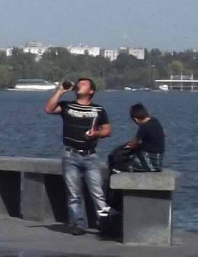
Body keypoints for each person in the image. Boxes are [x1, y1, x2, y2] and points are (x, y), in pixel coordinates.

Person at [45, 77, 112, 234]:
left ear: (91, 91)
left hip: (90, 156)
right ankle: (78, 224)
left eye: (83, 83)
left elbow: (108, 130)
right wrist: (60, 91)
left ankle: (104, 223)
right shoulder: (67, 106)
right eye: (79, 83)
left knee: (98, 193)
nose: (79, 85)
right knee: (74, 194)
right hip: (70, 155)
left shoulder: (98, 110)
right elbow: (48, 109)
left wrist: (96, 133)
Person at [108, 103, 166, 173]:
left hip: (149, 159)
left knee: (118, 160)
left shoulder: (144, 127)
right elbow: (164, 133)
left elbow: (133, 144)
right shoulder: (155, 120)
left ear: (136, 119)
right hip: (158, 158)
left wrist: (126, 146)